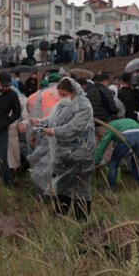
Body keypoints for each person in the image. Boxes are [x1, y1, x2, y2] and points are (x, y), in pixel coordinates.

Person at [28, 77, 95, 219]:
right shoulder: (61, 105)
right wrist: (40, 123)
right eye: (60, 94)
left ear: (73, 91)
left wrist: (53, 132)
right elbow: (52, 120)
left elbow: (74, 128)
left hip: (80, 153)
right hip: (64, 153)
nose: (62, 97)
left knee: (80, 186)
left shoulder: (83, 105)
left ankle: (81, 219)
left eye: (65, 94)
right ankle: (61, 217)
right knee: (62, 186)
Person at [95, 116, 139, 190]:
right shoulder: (129, 119)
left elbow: (104, 143)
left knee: (113, 163)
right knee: (137, 164)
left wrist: (96, 160)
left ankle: (111, 188)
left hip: (125, 136)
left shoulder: (111, 124)